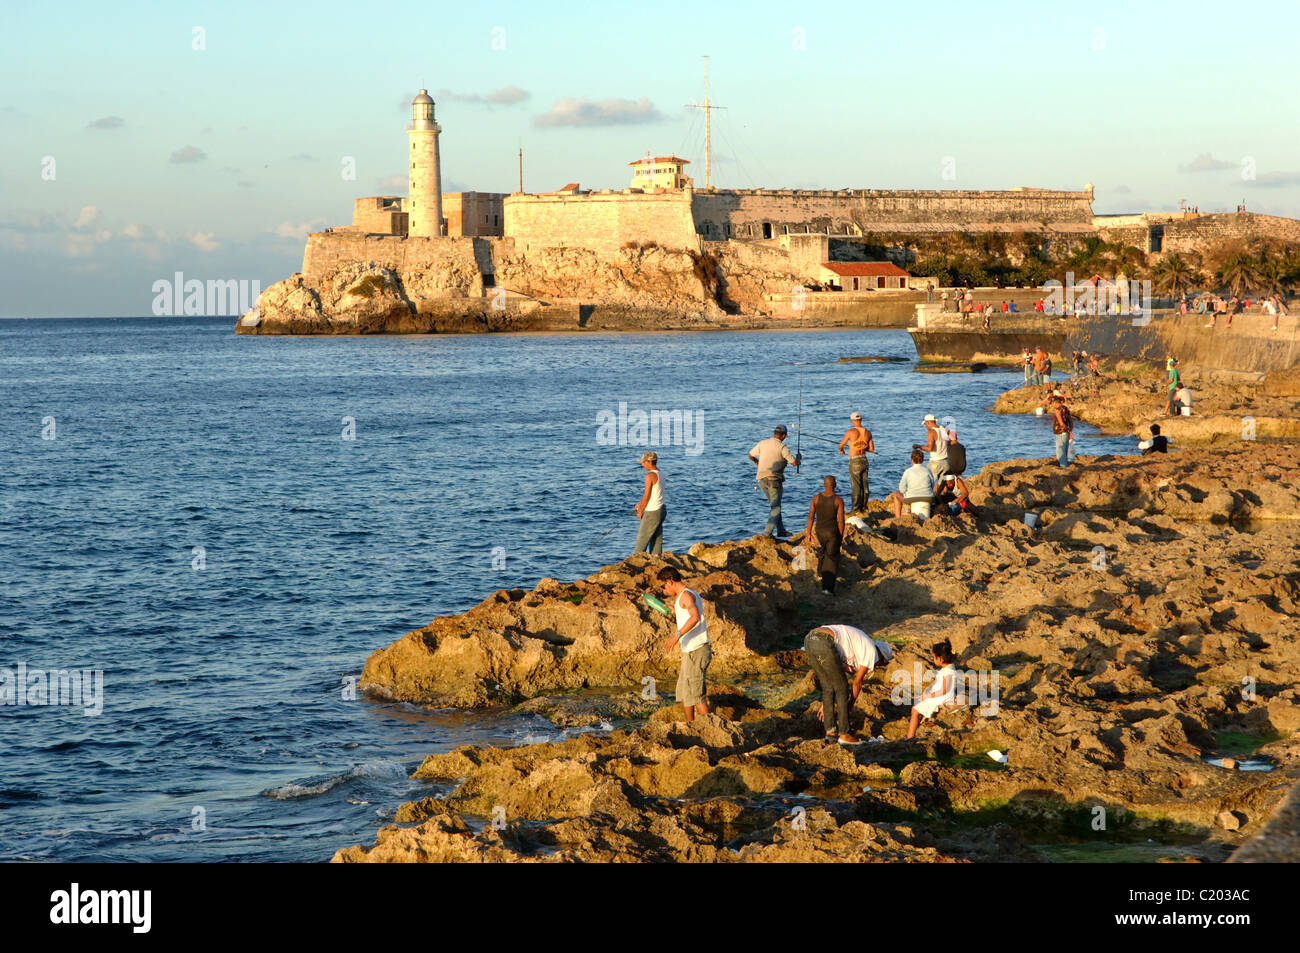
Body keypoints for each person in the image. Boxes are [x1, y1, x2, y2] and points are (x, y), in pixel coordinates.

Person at [803, 623, 893, 745]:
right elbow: (857, 683)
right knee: (842, 688)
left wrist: (827, 704)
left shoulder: (859, 648)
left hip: (809, 639)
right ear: (882, 658)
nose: (876, 666)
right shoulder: (872, 652)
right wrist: (849, 706)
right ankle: (844, 734)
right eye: (880, 664)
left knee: (828, 687)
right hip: (823, 640)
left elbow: (833, 679)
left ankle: (831, 734)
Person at [657, 567, 711, 723]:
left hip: (697, 650)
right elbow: (687, 612)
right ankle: (691, 726)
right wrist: (675, 610)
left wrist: (676, 636)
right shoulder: (686, 595)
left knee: (696, 695)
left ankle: (710, 728)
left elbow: (695, 618)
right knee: (683, 692)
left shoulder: (686, 595)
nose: (664, 590)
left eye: (663, 586)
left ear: (670, 581)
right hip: (690, 651)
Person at [749, 424, 801, 537]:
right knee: (776, 508)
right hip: (773, 480)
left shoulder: (762, 443)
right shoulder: (782, 448)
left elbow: (750, 455)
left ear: (774, 433)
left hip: (761, 479)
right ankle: (767, 533)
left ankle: (781, 530)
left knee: (775, 506)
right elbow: (794, 463)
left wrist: (756, 462)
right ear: (783, 435)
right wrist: (799, 458)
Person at [906, 640, 960, 739]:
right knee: (920, 703)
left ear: (941, 659)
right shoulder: (949, 668)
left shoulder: (948, 671)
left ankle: (909, 737)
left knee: (914, 710)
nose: (933, 659)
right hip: (942, 696)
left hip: (943, 697)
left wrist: (928, 696)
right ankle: (918, 725)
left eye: (934, 657)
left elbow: (944, 690)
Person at [803, 476, 846, 595]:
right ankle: (827, 588)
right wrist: (840, 536)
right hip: (832, 533)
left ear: (824, 485)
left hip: (819, 531)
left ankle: (820, 573)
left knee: (822, 552)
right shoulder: (838, 500)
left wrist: (809, 533)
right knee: (831, 558)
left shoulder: (816, 498)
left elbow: (811, 517)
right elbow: (841, 521)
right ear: (835, 485)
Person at [836, 412, 874, 513]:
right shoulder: (868, 432)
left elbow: (841, 445)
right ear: (860, 420)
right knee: (864, 485)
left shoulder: (850, 432)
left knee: (856, 485)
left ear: (852, 420)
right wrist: (862, 447)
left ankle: (856, 509)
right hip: (864, 459)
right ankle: (864, 507)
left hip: (854, 460)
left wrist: (841, 450)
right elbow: (871, 449)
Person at [632, 451, 665, 555]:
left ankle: (636, 565)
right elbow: (654, 493)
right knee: (656, 542)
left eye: (643, 462)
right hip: (661, 509)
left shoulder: (650, 476)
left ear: (649, 462)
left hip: (652, 512)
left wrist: (640, 510)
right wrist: (640, 503)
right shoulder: (661, 473)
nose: (642, 464)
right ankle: (657, 563)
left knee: (641, 543)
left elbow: (647, 495)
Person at [889, 448, 935, 519]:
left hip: (911, 498)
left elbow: (901, 489)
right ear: (922, 460)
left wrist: (908, 491)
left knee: (896, 495)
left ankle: (898, 518)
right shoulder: (927, 471)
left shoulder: (908, 472)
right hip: (928, 498)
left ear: (912, 460)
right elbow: (932, 485)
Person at [914, 414, 949, 482]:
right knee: (941, 486)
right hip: (945, 462)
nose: (925, 426)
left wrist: (919, 446)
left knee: (928, 483)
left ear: (929, 422)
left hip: (935, 462)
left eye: (925, 424)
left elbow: (929, 448)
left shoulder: (931, 432)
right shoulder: (944, 429)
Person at [1050, 391, 1076, 467]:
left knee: (1060, 453)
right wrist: (1070, 430)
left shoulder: (1057, 411)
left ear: (1055, 402)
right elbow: (1070, 421)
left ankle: (1064, 467)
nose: (1051, 405)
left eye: (1051, 403)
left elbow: (1061, 423)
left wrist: (1068, 430)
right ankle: (1065, 466)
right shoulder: (1065, 408)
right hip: (1065, 433)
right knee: (1065, 451)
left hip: (1060, 433)